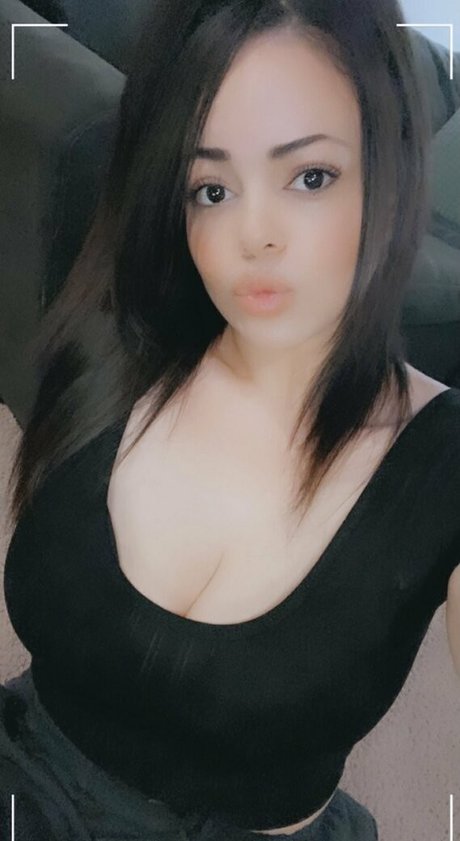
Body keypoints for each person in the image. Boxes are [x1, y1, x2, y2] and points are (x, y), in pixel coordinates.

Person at [1, 0, 459, 839]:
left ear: (388, 167)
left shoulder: (444, 461)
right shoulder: (124, 335)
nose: (253, 236)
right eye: (211, 188)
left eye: (310, 176)